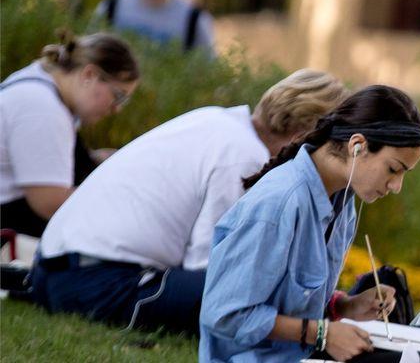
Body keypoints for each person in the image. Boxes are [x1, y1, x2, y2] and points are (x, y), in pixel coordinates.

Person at [30, 69, 348, 334]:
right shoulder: (243, 158)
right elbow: (212, 270)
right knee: (245, 300)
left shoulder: (220, 121)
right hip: (94, 283)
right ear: (302, 136)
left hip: (53, 270)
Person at [200, 85, 420, 362]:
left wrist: (345, 306)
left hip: (304, 352)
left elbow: (295, 302)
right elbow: (224, 314)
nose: (396, 186)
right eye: (393, 169)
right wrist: (322, 334)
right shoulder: (279, 203)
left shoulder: (342, 202)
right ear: (357, 146)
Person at [0, 33, 139, 238]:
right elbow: (49, 203)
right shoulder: (42, 108)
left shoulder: (40, 85)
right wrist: (123, 201)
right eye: (118, 96)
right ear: (89, 75)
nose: (117, 109)